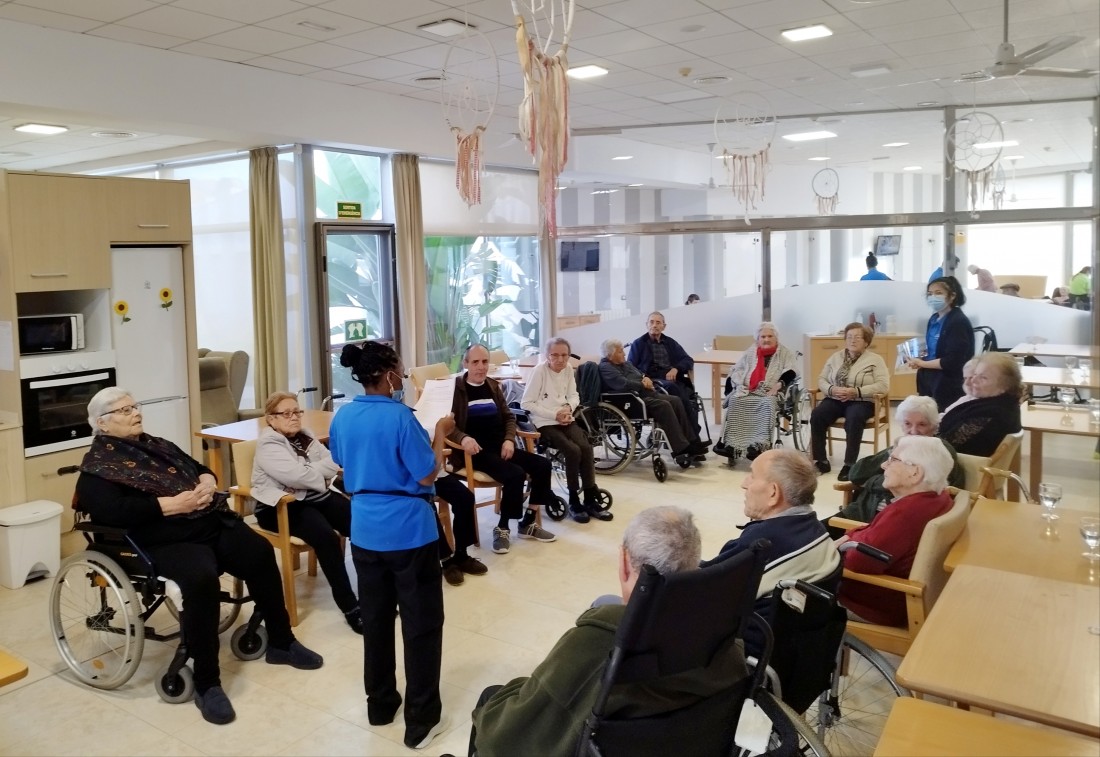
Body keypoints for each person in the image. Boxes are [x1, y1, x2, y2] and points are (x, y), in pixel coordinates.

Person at [75, 387, 323, 726]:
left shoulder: (158, 445)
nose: (136, 413)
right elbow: (112, 511)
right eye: (124, 410)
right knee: (201, 579)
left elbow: (200, 468)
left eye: (135, 406)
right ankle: (207, 683)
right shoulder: (98, 468)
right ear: (102, 424)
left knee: (259, 552)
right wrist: (170, 505)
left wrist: (206, 482)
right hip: (161, 539)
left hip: (205, 522)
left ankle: (281, 642)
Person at [470, 506, 745, 757]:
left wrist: (514, 692)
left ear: (624, 562)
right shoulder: (721, 633)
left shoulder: (600, 640)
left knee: (491, 698)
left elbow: (504, 739)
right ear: (694, 564)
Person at [328, 340, 452, 751]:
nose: (403, 378)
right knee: (421, 625)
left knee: (377, 620)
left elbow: (342, 461)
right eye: (401, 371)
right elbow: (426, 475)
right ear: (389, 375)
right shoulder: (401, 417)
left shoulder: (344, 416)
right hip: (409, 531)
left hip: (364, 530)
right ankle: (421, 720)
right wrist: (440, 433)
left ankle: (380, 704)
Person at [701, 449, 840, 657]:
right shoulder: (816, 529)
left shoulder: (758, 546)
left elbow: (703, 591)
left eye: (752, 475)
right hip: (802, 650)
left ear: (773, 493)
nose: (744, 484)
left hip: (742, 653)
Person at [252, 391, 360, 632]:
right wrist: (316, 473)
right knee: (326, 537)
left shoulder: (305, 435)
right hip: (280, 507)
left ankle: (374, 592)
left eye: (297, 412)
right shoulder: (268, 444)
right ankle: (350, 607)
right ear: (271, 419)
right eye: (286, 413)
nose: (294, 417)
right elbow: (296, 476)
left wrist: (309, 472)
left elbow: (333, 461)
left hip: (314, 498)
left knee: (361, 524)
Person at [836, 436, 955, 627]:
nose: (884, 465)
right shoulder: (940, 498)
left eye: (893, 460)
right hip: (901, 600)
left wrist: (843, 543)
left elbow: (858, 562)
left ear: (915, 473)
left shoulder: (905, 514)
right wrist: (852, 535)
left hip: (872, 605)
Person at [452, 344, 560, 544]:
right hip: (475, 452)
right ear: (465, 363)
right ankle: (503, 527)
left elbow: (509, 417)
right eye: (475, 362)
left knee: (543, 465)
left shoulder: (493, 386)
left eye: (485, 361)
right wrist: (463, 438)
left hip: (500, 446)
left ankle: (528, 522)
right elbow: (447, 425)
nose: (481, 367)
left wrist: (509, 439)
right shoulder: (456, 389)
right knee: (515, 474)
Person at [824, 395, 965, 536]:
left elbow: (911, 490)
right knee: (816, 534)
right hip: (862, 511)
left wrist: (871, 482)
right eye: (907, 424)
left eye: (922, 425)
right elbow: (855, 474)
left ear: (934, 426)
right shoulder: (902, 446)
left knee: (821, 541)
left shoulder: (939, 453)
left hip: (890, 522)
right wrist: (894, 451)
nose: (913, 431)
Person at [522, 338, 612, 523]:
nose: (560, 359)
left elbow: (574, 395)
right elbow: (526, 403)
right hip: (545, 422)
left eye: (564, 355)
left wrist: (568, 408)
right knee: (572, 450)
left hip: (565, 418)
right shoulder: (539, 371)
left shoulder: (568, 368)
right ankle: (574, 500)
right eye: (555, 355)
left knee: (586, 447)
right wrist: (554, 414)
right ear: (547, 355)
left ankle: (589, 499)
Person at [598, 338, 708, 464]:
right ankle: (680, 448)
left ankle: (692, 441)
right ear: (610, 355)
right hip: (629, 401)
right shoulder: (606, 367)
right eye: (620, 351)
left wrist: (646, 378)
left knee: (676, 400)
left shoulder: (625, 364)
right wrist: (642, 384)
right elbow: (623, 384)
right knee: (664, 405)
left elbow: (640, 374)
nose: (624, 354)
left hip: (643, 395)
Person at [809, 322, 890, 480]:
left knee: (854, 418)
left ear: (866, 341)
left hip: (862, 400)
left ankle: (849, 464)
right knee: (817, 415)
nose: (853, 340)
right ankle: (821, 461)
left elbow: (883, 385)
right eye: (849, 337)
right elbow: (822, 379)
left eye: (858, 337)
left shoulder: (875, 360)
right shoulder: (835, 357)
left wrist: (856, 391)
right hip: (836, 398)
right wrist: (832, 389)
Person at [714, 321, 799, 462]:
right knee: (735, 400)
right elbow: (737, 369)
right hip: (749, 390)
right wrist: (738, 384)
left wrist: (778, 385)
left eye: (770, 336)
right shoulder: (750, 352)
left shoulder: (784, 353)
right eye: (763, 337)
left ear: (776, 338)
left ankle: (758, 445)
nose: (766, 339)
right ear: (758, 339)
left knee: (767, 403)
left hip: (771, 392)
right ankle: (732, 445)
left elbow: (792, 371)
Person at [627, 311, 700, 436]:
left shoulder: (670, 342)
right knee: (675, 390)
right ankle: (692, 434)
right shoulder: (639, 343)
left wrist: (676, 368)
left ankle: (688, 433)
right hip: (652, 380)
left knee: (687, 393)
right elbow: (630, 367)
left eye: (658, 322)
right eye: (651, 322)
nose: (654, 325)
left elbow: (688, 360)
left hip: (672, 378)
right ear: (646, 325)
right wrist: (643, 377)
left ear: (664, 326)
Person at [908, 276, 974, 411]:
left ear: (952, 296)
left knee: (943, 418)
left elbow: (953, 361)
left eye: (938, 293)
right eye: (930, 294)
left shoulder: (957, 322)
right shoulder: (934, 318)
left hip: (948, 382)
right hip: (929, 379)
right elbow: (932, 350)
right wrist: (919, 359)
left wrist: (922, 363)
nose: (933, 297)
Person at [937, 352, 1023, 456]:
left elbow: (947, 445)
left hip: (962, 463)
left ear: (1005, 386)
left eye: (983, 378)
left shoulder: (991, 413)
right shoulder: (997, 403)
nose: (973, 380)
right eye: (975, 374)